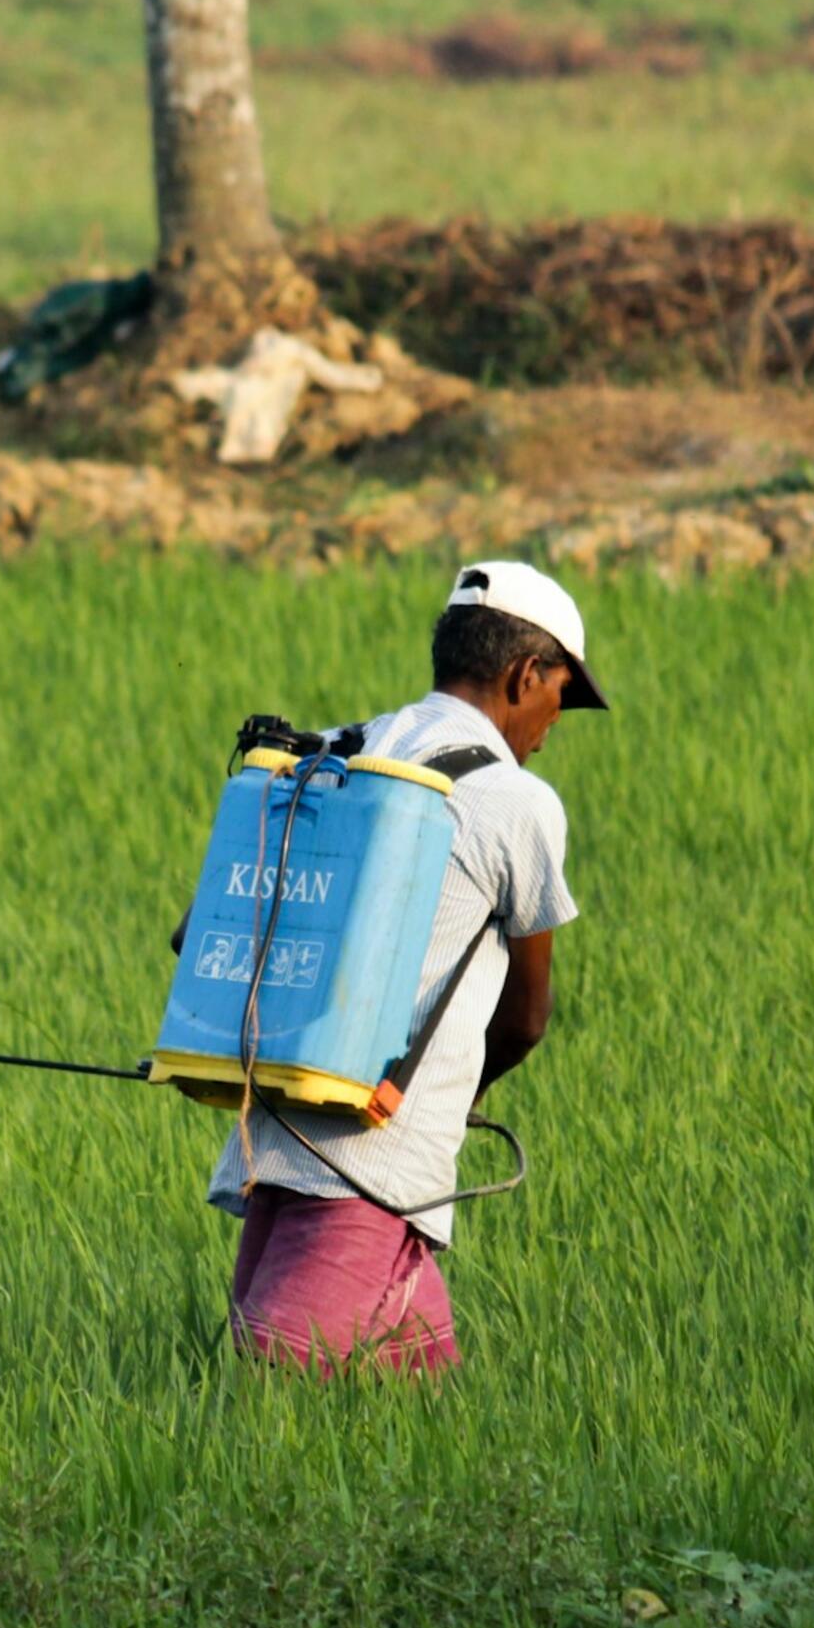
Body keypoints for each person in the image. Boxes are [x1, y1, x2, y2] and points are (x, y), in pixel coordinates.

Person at [206, 561, 608, 1375]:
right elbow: (528, 1017)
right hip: (376, 1166)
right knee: (275, 1394)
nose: (554, 720)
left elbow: (206, 928)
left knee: (421, 1424)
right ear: (524, 674)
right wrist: (465, 1098)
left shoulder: (337, 750)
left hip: (278, 1138)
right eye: (561, 693)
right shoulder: (516, 800)